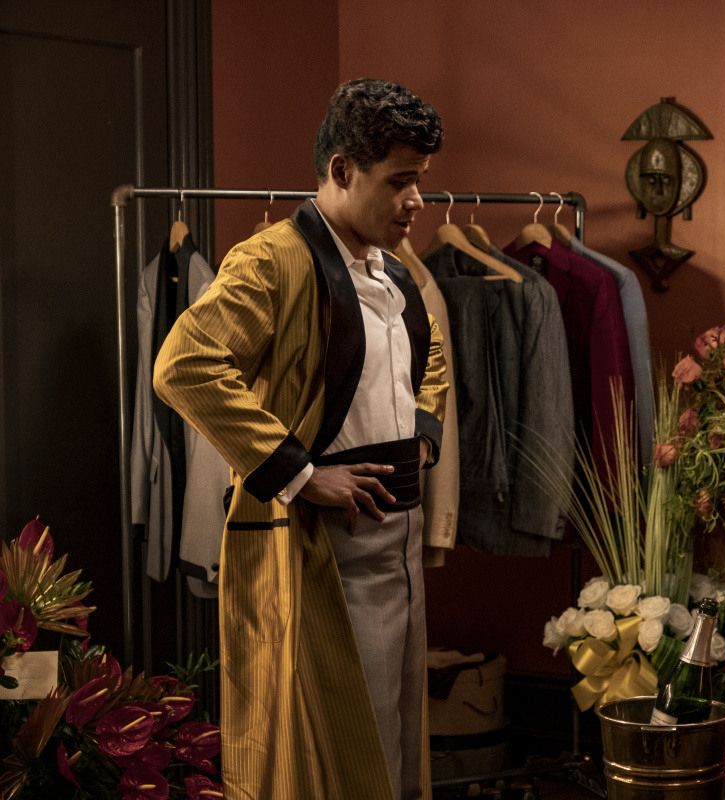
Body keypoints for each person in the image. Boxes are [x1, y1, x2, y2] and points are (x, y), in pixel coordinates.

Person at [154, 78, 448, 799]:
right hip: (321, 539)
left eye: (419, 180)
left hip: (398, 535)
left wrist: (422, 436)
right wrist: (300, 472)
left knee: (396, 741)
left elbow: (431, 353)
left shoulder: (391, 267)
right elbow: (184, 365)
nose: (417, 201)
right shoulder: (271, 260)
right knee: (336, 746)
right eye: (400, 181)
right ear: (342, 170)